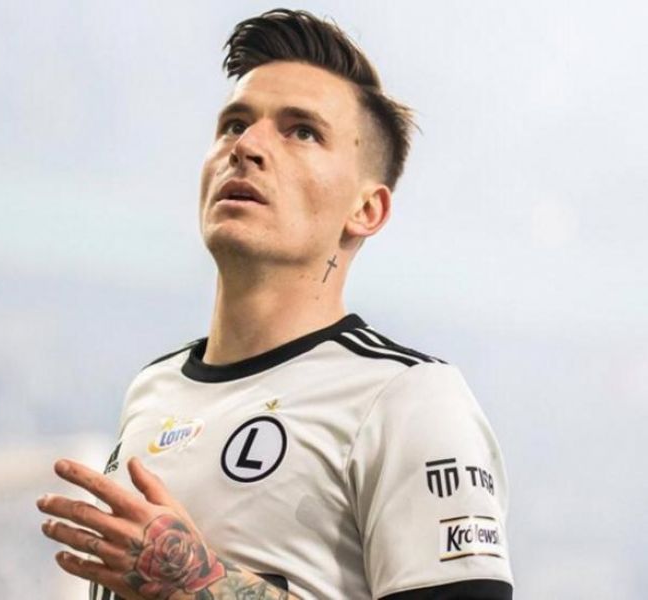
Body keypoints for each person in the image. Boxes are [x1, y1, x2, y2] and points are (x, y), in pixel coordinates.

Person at [36, 8, 513, 600]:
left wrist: (199, 583)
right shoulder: (153, 390)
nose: (247, 146)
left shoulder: (406, 397)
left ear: (366, 209)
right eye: (234, 124)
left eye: (302, 131)